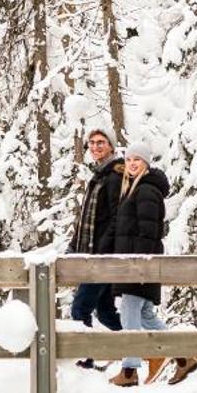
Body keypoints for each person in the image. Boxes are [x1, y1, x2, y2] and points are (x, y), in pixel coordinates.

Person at [106, 147, 195, 388]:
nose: (133, 164)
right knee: (144, 314)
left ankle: (129, 369)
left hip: (140, 265)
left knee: (129, 311)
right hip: (135, 263)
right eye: (129, 160)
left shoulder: (145, 190)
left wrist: (139, 265)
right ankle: (183, 357)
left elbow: (149, 232)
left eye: (138, 160)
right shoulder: (136, 189)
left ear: (146, 163)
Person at [70, 128, 124, 363]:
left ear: (111, 146)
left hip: (101, 257)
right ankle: (151, 349)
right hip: (91, 253)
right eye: (91, 143)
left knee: (80, 309)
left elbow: (115, 217)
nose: (95, 147)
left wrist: (103, 249)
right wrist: (74, 246)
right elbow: (86, 218)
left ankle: (83, 363)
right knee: (105, 313)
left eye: (101, 143)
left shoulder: (114, 176)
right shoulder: (100, 175)